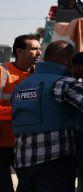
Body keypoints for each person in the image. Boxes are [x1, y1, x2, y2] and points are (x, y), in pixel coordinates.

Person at [12, 41, 83, 192]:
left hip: (23, 160)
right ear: (65, 60)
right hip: (54, 162)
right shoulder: (64, 83)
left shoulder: (23, 85)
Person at [0, 35, 41, 192]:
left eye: (40, 48)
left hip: (27, 143)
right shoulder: (2, 73)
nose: (39, 52)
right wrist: (21, 113)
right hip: (3, 144)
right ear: (19, 51)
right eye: (34, 49)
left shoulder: (38, 75)